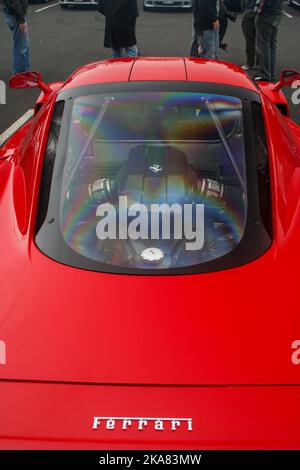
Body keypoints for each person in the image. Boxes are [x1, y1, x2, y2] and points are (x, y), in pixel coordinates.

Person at [253, 0, 283, 82]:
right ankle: (271, 74)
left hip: (266, 15)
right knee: (272, 45)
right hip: (277, 12)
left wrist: (258, 8)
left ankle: (265, 74)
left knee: (263, 46)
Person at [1, 0, 30, 75]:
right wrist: (21, 19)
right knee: (21, 46)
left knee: (23, 45)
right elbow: (14, 2)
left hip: (13, 14)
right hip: (15, 16)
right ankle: (19, 74)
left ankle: (24, 71)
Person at [241, 0, 257, 70]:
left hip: (250, 14)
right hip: (260, 14)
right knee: (261, 42)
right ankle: (259, 63)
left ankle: (250, 63)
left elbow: (244, 4)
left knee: (249, 40)